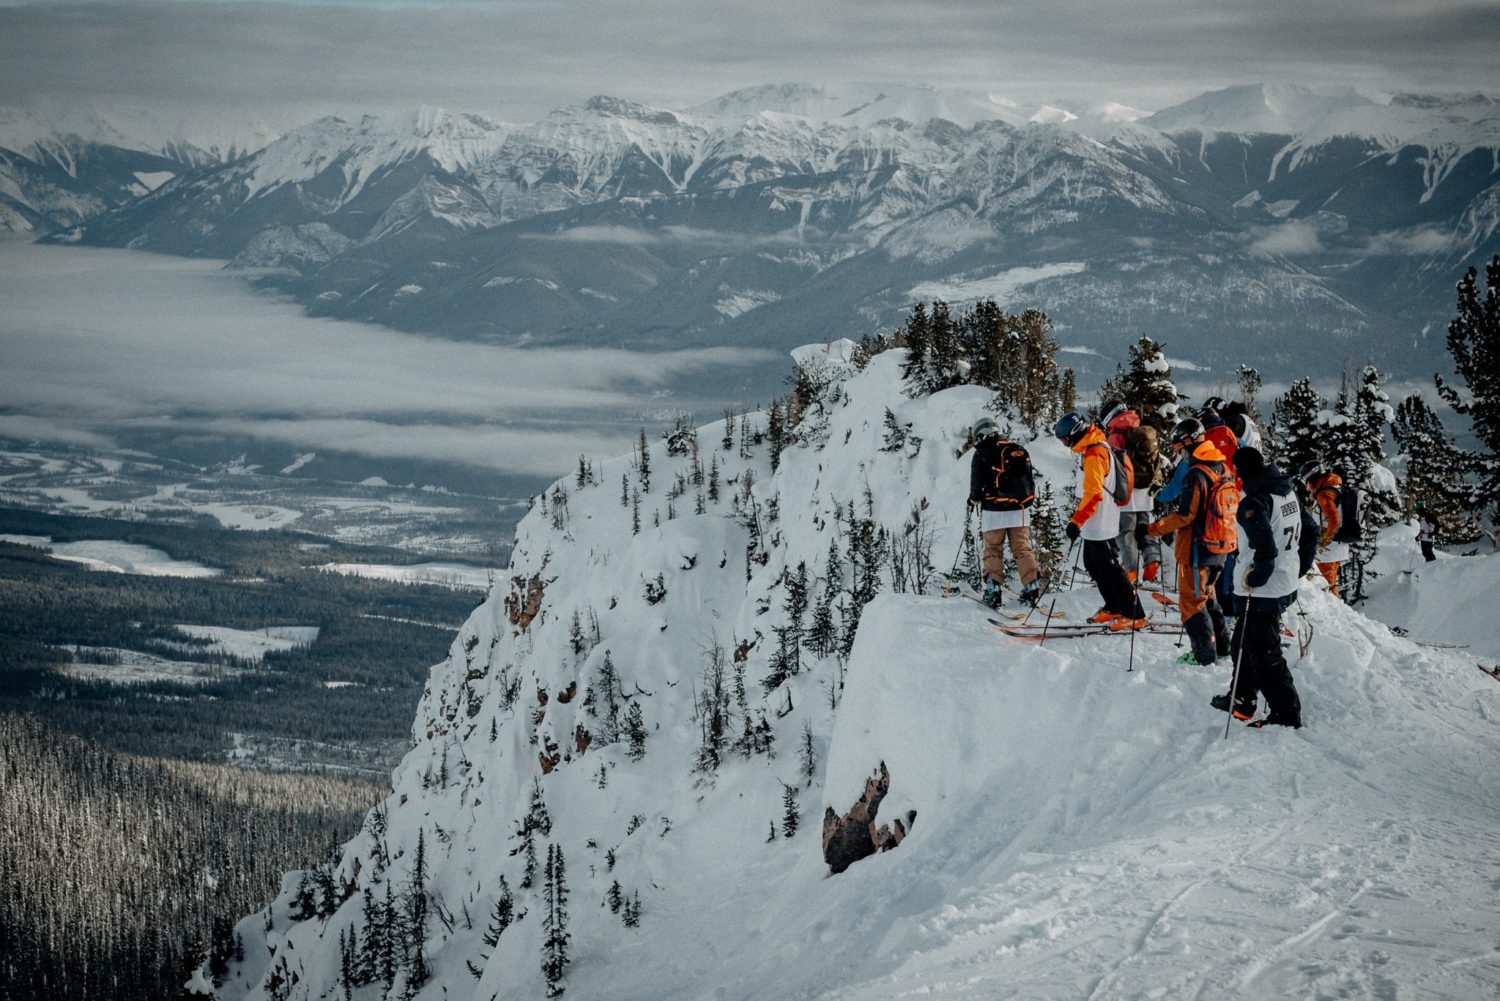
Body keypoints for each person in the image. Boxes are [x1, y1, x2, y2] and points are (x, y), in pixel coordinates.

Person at [1213, 446, 1315, 728]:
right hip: (1282, 581)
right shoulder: (1287, 492)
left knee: (1264, 651)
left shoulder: (1254, 500)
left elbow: (1265, 549)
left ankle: (1286, 712)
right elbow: (1311, 530)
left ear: (1241, 472)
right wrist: (1298, 567)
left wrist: (1258, 575)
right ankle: (1242, 697)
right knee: (1242, 641)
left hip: (1261, 588)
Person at [1147, 418, 1237, 665]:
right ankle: (1222, 648)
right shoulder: (1222, 467)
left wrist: (1155, 528)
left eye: (1178, 448)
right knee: (1208, 598)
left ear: (1187, 442)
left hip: (1198, 549)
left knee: (1191, 604)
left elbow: (1186, 515)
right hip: (1221, 546)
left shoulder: (1195, 474)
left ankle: (1203, 656)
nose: (1178, 454)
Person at [1053, 411, 1145, 630]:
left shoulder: (1095, 453)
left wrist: (1076, 521)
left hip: (1101, 522)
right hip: (1095, 523)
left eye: (1065, 439)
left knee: (1111, 569)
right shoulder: (1094, 448)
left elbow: (1093, 493)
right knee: (1094, 566)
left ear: (1075, 433)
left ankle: (1134, 614)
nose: (1065, 443)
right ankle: (1113, 606)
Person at [967, 417, 1040, 608]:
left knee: (993, 549)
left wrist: (973, 499)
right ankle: (1031, 586)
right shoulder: (1016, 449)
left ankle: (993, 590)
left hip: (994, 510)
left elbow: (976, 483)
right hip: (1020, 509)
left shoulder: (982, 452)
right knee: (1022, 548)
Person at [1102, 400, 1162, 584]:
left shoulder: (1116, 436)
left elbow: (1112, 468)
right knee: (1145, 529)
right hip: (1146, 494)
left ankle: (1130, 572)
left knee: (1125, 532)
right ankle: (1152, 562)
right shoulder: (1141, 430)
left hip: (1127, 493)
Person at [1300, 462, 1349, 597]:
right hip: (1336, 545)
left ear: (1313, 479)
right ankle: (1336, 605)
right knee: (1329, 581)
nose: (1308, 487)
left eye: (1308, 482)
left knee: (1326, 584)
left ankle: (1335, 610)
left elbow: (1334, 519)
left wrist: (1324, 540)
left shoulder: (1325, 494)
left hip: (1329, 549)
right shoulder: (1333, 487)